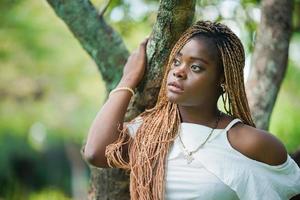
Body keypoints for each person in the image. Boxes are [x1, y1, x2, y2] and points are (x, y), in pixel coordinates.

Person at [83, 21, 300, 200]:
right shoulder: (150, 134)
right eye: (176, 62)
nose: (179, 72)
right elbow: (95, 152)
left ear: (222, 80)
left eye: (195, 67)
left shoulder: (249, 142)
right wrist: (129, 77)